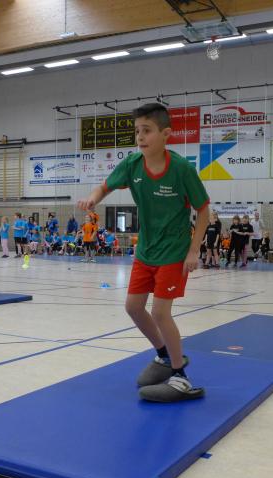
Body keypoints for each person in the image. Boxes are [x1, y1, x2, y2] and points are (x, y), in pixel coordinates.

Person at [77, 102, 210, 402]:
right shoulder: (132, 165)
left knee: (160, 312)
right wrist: (93, 198)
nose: (140, 136)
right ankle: (164, 355)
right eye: (137, 131)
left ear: (166, 134)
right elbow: (104, 186)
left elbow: (204, 211)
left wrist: (194, 250)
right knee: (133, 307)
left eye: (147, 130)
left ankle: (181, 376)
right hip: (146, 251)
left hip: (174, 252)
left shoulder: (182, 169)